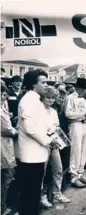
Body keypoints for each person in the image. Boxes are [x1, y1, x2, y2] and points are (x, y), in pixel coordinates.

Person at [16, 69, 61, 215]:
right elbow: (30, 128)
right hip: (31, 155)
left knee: (33, 193)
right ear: (33, 84)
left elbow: (39, 125)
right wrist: (48, 140)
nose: (46, 85)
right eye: (43, 82)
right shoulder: (30, 100)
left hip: (36, 154)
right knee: (30, 194)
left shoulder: (35, 99)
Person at [40, 87, 71, 208]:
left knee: (58, 168)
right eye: (48, 97)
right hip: (43, 143)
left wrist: (55, 135)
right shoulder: (38, 110)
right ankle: (41, 196)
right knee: (42, 172)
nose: (51, 100)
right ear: (43, 97)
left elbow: (56, 126)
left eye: (53, 97)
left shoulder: (53, 111)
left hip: (54, 143)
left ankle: (57, 193)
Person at [65, 78, 86, 188]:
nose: (83, 91)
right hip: (75, 124)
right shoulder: (70, 98)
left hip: (84, 125)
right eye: (82, 89)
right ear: (77, 87)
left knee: (84, 150)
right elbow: (68, 114)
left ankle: (80, 173)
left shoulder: (83, 99)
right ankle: (73, 176)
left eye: (84, 89)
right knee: (76, 150)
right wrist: (83, 114)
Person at [1, 84, 18, 215]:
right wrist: (17, 130)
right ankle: (2, 207)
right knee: (6, 176)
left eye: (4, 94)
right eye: (1, 94)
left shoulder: (3, 107)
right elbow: (7, 129)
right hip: (3, 144)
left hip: (4, 144)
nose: (3, 97)